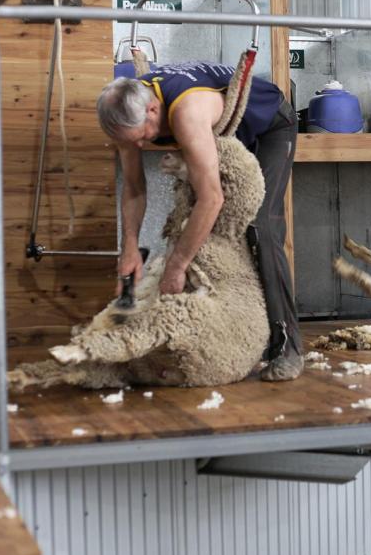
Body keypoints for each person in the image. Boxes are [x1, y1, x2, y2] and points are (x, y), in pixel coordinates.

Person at [96, 61, 303, 382]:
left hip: (269, 124)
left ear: (153, 110)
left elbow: (213, 198)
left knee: (261, 226)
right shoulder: (127, 115)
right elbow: (135, 189)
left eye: (142, 138)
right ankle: (232, 336)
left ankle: (288, 345)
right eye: (131, 141)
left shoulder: (187, 114)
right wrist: (130, 249)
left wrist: (177, 266)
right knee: (203, 233)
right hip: (222, 133)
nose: (138, 146)